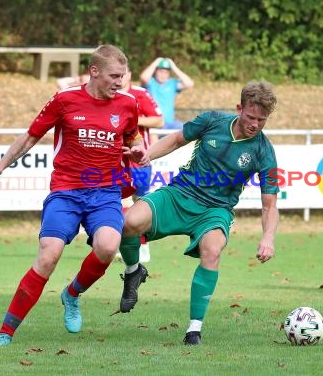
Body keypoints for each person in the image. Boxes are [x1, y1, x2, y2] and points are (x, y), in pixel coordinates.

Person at [0, 44, 148, 346]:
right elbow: (31, 135)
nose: (119, 82)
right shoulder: (65, 100)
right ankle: (5, 333)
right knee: (48, 254)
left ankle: (72, 294)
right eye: (114, 76)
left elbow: (133, 136)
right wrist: (1, 166)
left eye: (122, 76)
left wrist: (139, 149)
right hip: (66, 191)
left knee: (107, 246)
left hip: (105, 192)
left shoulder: (128, 103)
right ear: (94, 71)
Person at [116, 80, 280, 346]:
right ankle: (134, 271)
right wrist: (147, 156)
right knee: (127, 223)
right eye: (251, 117)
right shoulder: (213, 121)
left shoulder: (263, 150)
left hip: (215, 210)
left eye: (262, 120)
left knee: (212, 250)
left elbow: (269, 204)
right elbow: (176, 139)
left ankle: (194, 330)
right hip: (180, 194)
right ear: (239, 108)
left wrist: (268, 237)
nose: (255, 124)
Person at [111, 65, 164, 263]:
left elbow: (159, 120)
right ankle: (120, 244)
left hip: (139, 161)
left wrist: (134, 119)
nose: (120, 78)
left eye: (123, 74)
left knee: (140, 204)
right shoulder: (108, 95)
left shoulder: (140, 94)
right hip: (115, 161)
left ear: (130, 75)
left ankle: (143, 246)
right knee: (117, 202)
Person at [140, 57, 194, 131]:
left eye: (166, 72)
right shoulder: (150, 82)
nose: (163, 75)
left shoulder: (172, 83)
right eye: (161, 71)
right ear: (155, 71)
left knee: (183, 128)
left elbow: (189, 83)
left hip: (169, 124)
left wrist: (174, 67)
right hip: (154, 123)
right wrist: (155, 62)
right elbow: (143, 77)